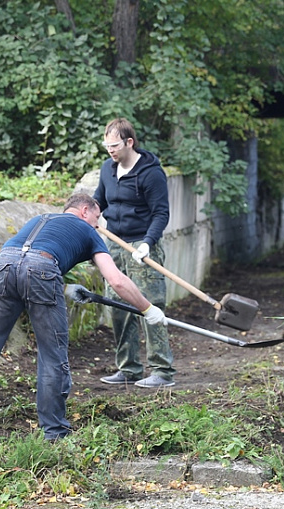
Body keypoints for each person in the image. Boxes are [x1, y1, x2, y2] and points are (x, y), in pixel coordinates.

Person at [0, 194, 167, 444]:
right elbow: (116, 280)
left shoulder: (39, 219)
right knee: (52, 355)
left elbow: (27, 260)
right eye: (97, 217)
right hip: (43, 269)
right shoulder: (88, 232)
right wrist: (147, 309)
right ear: (84, 210)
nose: (98, 224)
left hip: (3, 265)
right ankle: (54, 431)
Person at [93, 117, 176, 389]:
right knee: (117, 307)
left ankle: (162, 371)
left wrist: (148, 243)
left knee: (149, 305)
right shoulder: (108, 169)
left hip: (141, 245)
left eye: (115, 145)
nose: (110, 150)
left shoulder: (151, 173)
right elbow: (99, 201)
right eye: (106, 146)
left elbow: (161, 212)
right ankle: (128, 368)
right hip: (114, 244)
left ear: (129, 142)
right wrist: (87, 216)